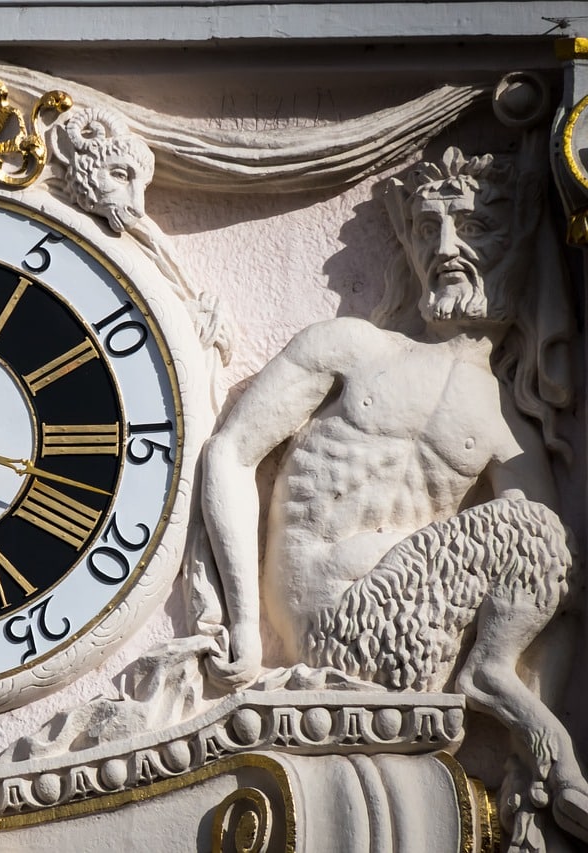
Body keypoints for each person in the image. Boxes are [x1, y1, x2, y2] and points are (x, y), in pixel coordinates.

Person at [202, 146, 588, 840]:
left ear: (517, 244)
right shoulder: (350, 348)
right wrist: (244, 627)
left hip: (414, 648)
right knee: (535, 528)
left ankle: (503, 690)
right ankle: (492, 679)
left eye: (473, 227)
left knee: (544, 535)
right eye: (428, 228)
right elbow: (231, 452)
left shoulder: (507, 423)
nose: (447, 248)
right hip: (328, 621)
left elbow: (555, 589)